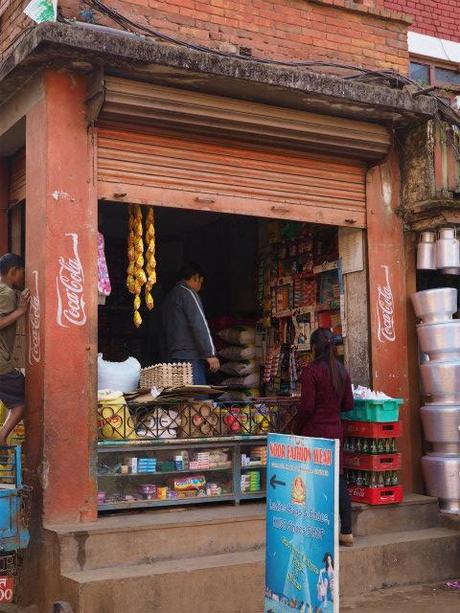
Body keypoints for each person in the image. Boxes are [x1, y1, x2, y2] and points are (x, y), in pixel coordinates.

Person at [297, 328, 354, 547]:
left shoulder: (311, 372)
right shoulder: (341, 371)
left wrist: (297, 427)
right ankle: (346, 531)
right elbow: (348, 405)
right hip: (334, 433)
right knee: (338, 479)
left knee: (312, 480)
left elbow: (306, 408)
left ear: (313, 348)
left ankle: (317, 529)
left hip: (314, 434)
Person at [161, 263, 219, 385]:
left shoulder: (170, 296)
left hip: (172, 356)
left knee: (180, 398)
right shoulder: (188, 293)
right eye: (200, 281)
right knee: (198, 400)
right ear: (195, 277)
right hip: (189, 357)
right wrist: (210, 353)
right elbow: (199, 324)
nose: (200, 286)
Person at [0, 253, 30, 445]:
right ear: (13, 271)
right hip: (1, 364)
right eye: (22, 273)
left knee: (18, 401)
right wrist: (20, 311)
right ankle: (1, 436)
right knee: (29, 396)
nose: (23, 278)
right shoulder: (7, 293)